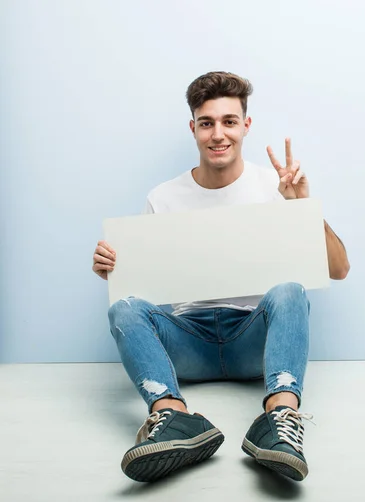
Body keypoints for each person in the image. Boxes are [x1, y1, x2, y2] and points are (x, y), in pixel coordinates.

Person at [92, 71, 350, 483]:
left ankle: (281, 420)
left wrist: (304, 209)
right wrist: (112, 267)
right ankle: (174, 419)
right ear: (193, 128)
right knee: (123, 308)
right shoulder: (163, 197)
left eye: (229, 121)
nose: (218, 134)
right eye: (207, 123)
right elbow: (139, 295)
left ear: (245, 126)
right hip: (188, 343)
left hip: (254, 340)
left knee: (288, 290)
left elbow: (339, 270)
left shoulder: (275, 186)